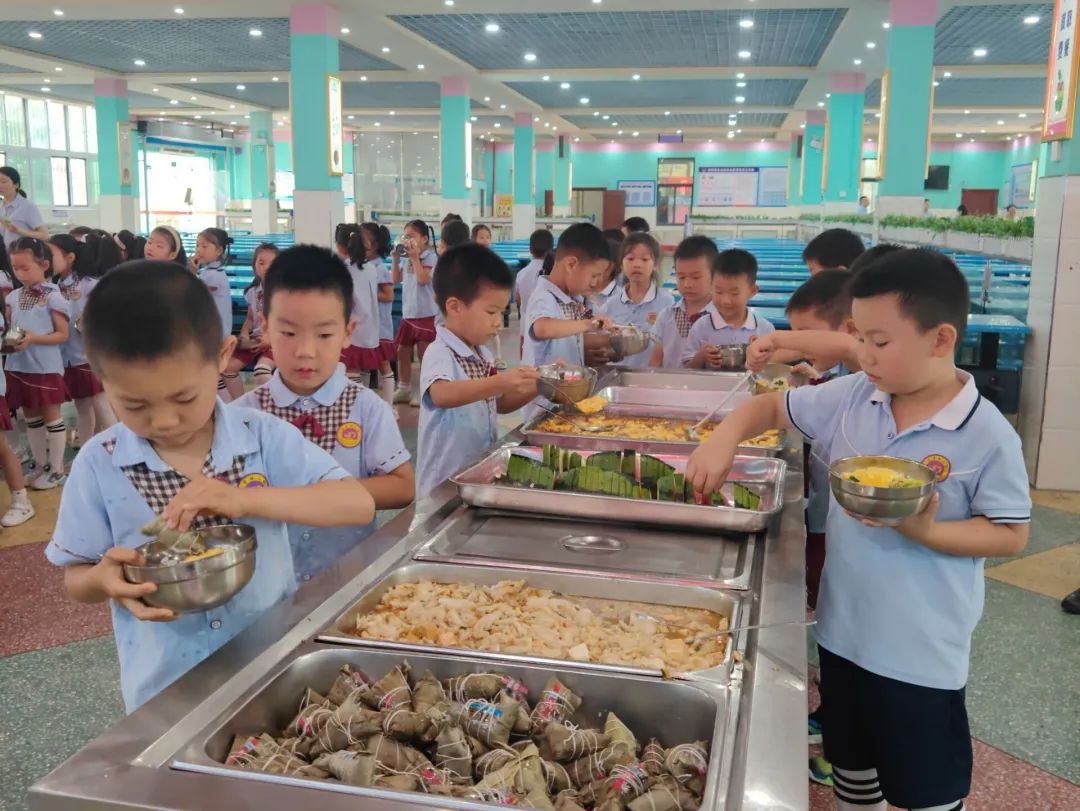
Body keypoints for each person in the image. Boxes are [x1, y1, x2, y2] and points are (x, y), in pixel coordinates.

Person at [687, 247, 1031, 811]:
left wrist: (927, 533)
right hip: (843, 639)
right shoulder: (854, 397)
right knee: (852, 770)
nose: (863, 355)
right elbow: (769, 411)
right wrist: (723, 437)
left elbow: (1010, 532)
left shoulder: (985, 433)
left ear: (940, 339)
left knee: (926, 793)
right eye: (859, 338)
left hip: (920, 655)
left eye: (879, 341)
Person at [44, 261, 374, 713]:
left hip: (272, 669)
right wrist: (103, 579)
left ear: (223, 356)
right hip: (164, 688)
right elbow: (76, 576)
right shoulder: (98, 465)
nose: (164, 420)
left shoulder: (263, 437)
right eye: (134, 404)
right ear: (103, 382)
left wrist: (242, 498)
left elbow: (356, 504)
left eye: (184, 398)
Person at [233, 245, 413, 582]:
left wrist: (313, 498)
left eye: (324, 334)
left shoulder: (367, 408)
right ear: (265, 327)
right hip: (264, 589)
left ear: (348, 332)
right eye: (287, 333)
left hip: (346, 579)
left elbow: (402, 487)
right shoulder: (241, 416)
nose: (305, 351)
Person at [417, 244, 539, 499]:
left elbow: (500, 404)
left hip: (475, 477)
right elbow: (441, 394)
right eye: (491, 312)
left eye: (502, 312)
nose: (497, 321)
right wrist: (500, 382)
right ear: (455, 307)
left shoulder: (482, 353)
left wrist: (541, 384)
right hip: (442, 487)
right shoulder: (440, 351)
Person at [522, 223, 613, 418]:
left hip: (566, 404)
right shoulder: (543, 297)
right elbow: (543, 328)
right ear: (571, 264)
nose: (596, 282)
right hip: (544, 409)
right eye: (594, 275)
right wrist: (588, 325)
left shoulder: (574, 299)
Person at [6, 237, 71, 490]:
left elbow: (62, 335)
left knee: (51, 416)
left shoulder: (55, 297)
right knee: (29, 416)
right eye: (15, 268)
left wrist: (32, 338)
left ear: (44, 265)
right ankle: (40, 465)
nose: (20, 273)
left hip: (44, 366)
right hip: (19, 364)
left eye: (25, 268)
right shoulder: (12, 296)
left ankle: (56, 469)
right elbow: (11, 327)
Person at [49, 234, 116, 446]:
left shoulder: (89, 285)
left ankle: (123, 450)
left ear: (70, 257)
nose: (46, 260)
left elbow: (106, 317)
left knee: (102, 405)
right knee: (83, 407)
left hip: (88, 355)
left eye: (51, 255)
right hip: (67, 356)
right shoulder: (53, 286)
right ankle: (88, 454)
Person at [682, 249, 775, 368]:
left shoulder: (765, 329)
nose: (726, 301)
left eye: (734, 293)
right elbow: (688, 369)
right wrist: (701, 356)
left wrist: (761, 357)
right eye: (719, 292)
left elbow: (771, 368)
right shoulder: (701, 327)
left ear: (752, 291)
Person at [599, 233, 673, 368]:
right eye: (630, 259)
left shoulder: (667, 303)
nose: (637, 265)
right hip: (615, 375)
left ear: (655, 264)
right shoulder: (610, 305)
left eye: (644, 260)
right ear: (621, 264)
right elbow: (601, 344)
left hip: (651, 377)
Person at [650, 235, 718, 369]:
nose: (687, 284)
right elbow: (655, 361)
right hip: (670, 387)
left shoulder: (721, 316)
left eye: (696, 277)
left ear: (715, 274)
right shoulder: (666, 315)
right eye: (681, 277)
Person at [391, 219, 437, 407]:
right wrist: (395, 259)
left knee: (424, 353)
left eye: (412, 236)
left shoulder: (430, 257)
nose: (407, 240)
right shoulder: (407, 258)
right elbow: (396, 278)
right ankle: (404, 387)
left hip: (425, 312)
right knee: (403, 351)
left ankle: (423, 389)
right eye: (405, 236)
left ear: (424, 239)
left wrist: (416, 258)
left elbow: (424, 279)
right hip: (408, 312)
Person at [191, 227, 237, 399]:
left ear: (218, 251)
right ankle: (230, 406)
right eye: (197, 246)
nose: (199, 250)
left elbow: (195, 295)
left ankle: (230, 407)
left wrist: (192, 272)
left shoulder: (213, 276)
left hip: (216, 334)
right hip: (215, 332)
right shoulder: (210, 272)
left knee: (212, 374)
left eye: (204, 246)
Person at [226, 242, 279, 389]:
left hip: (277, 342)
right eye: (261, 263)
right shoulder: (252, 292)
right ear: (254, 266)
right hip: (256, 341)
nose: (267, 267)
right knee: (226, 369)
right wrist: (244, 335)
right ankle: (238, 407)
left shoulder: (284, 293)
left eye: (272, 263)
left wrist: (270, 340)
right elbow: (250, 319)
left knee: (261, 371)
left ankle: (278, 406)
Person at [359, 223, 397, 405]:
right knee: (364, 365)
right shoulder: (363, 266)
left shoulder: (380, 268)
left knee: (383, 366)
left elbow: (388, 295)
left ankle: (389, 405)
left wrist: (365, 292)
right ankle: (363, 404)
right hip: (367, 326)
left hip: (380, 326)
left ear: (373, 245)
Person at [515, 228, 555, 350]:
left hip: (526, 327)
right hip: (550, 328)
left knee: (526, 366)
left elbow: (518, 300)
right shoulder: (554, 272)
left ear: (530, 249)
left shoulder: (522, 273)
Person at [0, 167, 47, 249]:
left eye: (3, 181)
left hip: (20, 257)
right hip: (3, 257)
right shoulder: (1, 206)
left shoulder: (27, 206)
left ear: (16, 185)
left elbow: (44, 235)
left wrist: (19, 231)